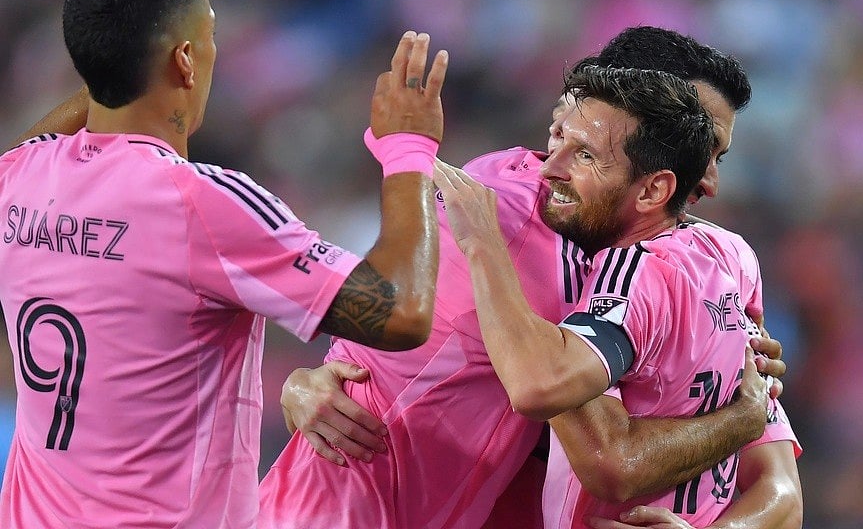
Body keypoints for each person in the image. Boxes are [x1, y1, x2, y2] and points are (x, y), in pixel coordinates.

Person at [261, 29, 797, 529]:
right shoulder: (515, 218)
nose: (708, 181)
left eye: (715, 152)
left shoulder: (711, 261)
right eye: (694, 143)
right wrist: (740, 417)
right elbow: (608, 456)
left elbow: (780, 489)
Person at [0, 0, 449, 526]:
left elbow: (24, 148)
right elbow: (402, 310)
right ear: (185, 60)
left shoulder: (19, 181)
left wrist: (111, 69)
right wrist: (408, 148)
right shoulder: (204, 206)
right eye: (210, 34)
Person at [433, 63, 773, 527]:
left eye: (587, 155)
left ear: (654, 187)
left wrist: (483, 243)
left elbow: (598, 448)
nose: (550, 167)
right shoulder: (733, 254)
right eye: (557, 136)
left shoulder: (625, 269)